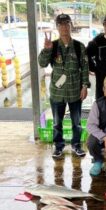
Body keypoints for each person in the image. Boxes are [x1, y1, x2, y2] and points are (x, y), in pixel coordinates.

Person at [38, 14, 90, 158]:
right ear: (57, 27)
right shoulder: (52, 46)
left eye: (66, 24)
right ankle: (58, 146)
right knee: (56, 123)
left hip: (75, 91)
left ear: (71, 26)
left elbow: (85, 68)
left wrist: (85, 86)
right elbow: (42, 63)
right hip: (57, 92)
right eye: (60, 24)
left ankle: (76, 145)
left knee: (77, 123)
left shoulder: (79, 47)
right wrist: (46, 50)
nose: (64, 27)